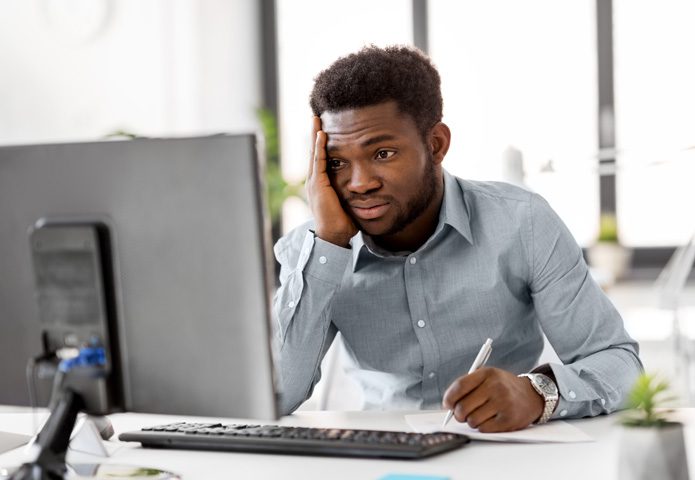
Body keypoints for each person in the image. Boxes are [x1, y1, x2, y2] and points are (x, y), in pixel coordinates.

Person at [272, 45, 642, 432]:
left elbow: (618, 362)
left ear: (436, 145)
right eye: (337, 162)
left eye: (382, 153)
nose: (360, 183)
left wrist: (536, 393)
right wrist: (330, 241)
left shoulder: (522, 222)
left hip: (505, 449)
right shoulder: (313, 253)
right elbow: (279, 394)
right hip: (381, 454)